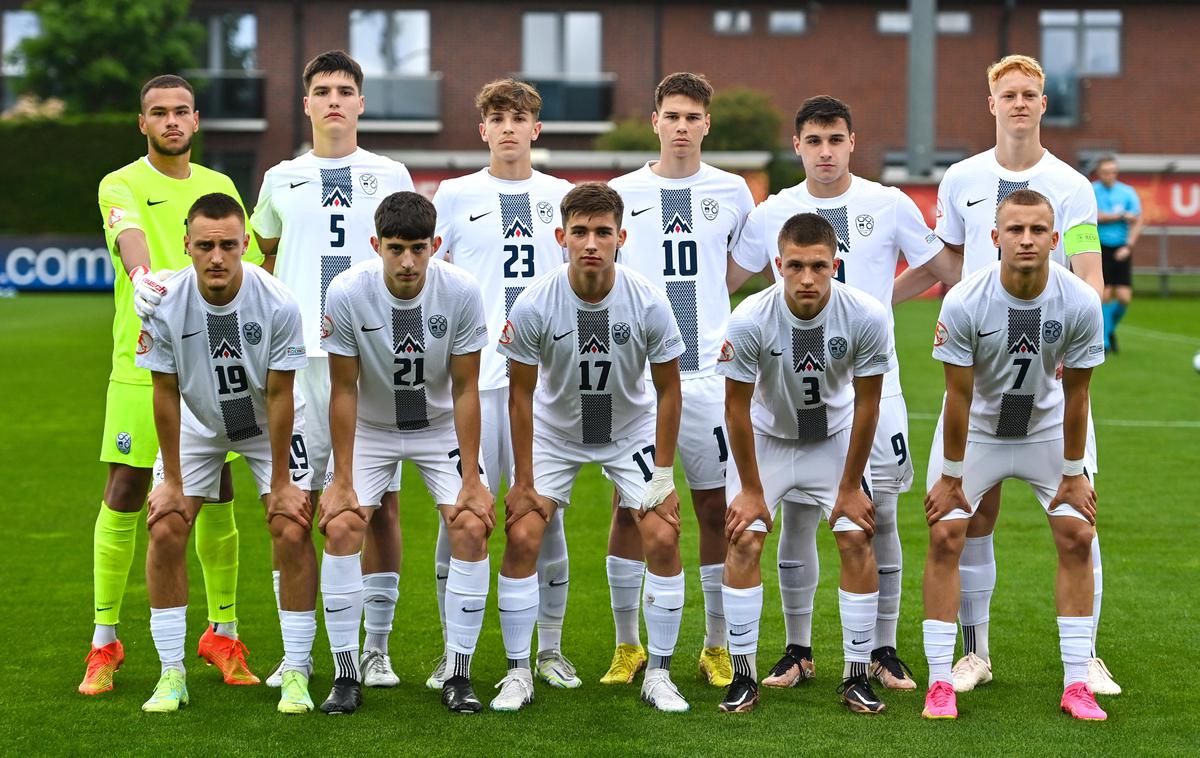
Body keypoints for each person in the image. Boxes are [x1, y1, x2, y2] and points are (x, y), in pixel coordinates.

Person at [895, 54, 1118, 696]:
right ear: (990, 102)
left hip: (1048, 374)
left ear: (1044, 103)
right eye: (1008, 93)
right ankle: (974, 651)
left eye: (1030, 93)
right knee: (975, 515)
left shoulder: (1072, 184)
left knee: (1079, 515)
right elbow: (950, 265)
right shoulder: (961, 178)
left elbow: (1088, 272)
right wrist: (871, 301)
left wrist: (1071, 327)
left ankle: (1088, 657)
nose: (1019, 102)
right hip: (979, 371)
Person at [729, 95, 960, 692]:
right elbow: (727, 280)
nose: (825, 152)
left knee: (875, 512)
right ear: (798, 146)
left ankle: (881, 650)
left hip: (870, 390)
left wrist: (882, 300)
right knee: (800, 515)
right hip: (792, 386)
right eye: (813, 141)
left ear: (852, 142)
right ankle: (797, 650)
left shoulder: (886, 202)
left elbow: (944, 269)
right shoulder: (774, 210)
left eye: (835, 139)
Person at [85, 74, 262, 696]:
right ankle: (104, 641)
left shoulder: (221, 186)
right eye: (158, 113)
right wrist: (144, 276)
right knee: (128, 487)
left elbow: (249, 263)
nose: (171, 121)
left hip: (216, 362)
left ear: (195, 118)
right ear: (143, 123)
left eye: (181, 111)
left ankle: (222, 633)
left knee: (215, 488)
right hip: (142, 361)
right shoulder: (121, 182)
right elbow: (128, 234)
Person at [251, 50, 415, 687]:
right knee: (291, 505)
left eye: (346, 90)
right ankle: (298, 653)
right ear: (307, 103)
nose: (335, 101)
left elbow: (407, 258)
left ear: (361, 103)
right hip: (298, 363)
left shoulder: (390, 172)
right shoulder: (280, 177)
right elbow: (265, 255)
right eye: (322, 91)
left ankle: (374, 649)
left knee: (380, 505)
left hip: (370, 360)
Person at [492, 183, 689, 713]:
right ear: (560, 237)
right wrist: (524, 479)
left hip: (629, 433)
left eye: (603, 232)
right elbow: (520, 392)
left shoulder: (647, 297)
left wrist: (665, 477)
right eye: (579, 232)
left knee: (663, 536)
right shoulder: (535, 300)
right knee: (523, 533)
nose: (591, 243)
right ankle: (519, 672)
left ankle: (660, 674)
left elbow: (670, 390)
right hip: (556, 434)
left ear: (621, 237)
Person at [921, 189, 1106, 721]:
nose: (1027, 239)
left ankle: (1077, 683)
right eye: (1016, 230)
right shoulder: (964, 301)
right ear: (995, 237)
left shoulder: (1078, 301)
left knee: (1078, 534)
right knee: (945, 532)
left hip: (1045, 430)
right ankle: (940, 682)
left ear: (1054, 238)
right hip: (979, 432)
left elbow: (1078, 394)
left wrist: (1074, 473)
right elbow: (957, 396)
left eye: (1038, 230)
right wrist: (952, 477)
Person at [136, 193, 318, 714]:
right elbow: (164, 390)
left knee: (291, 525)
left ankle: (297, 672)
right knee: (166, 522)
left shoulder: (278, 301)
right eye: (206, 246)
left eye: (229, 246)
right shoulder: (164, 301)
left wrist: (282, 482)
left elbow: (282, 394)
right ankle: (172, 673)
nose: (217, 257)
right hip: (197, 421)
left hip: (266, 424)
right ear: (187, 246)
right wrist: (171, 479)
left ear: (245, 246)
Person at [604, 71, 755, 688]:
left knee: (715, 507)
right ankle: (627, 645)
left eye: (694, 117)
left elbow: (734, 273)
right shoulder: (620, 192)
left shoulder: (734, 191)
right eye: (673, 116)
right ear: (655, 121)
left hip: (711, 379)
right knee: (631, 508)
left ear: (707, 124)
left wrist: (710, 314)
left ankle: (715, 646)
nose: (683, 127)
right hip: (640, 384)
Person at [318, 192, 492, 714]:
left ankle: (458, 674)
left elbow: (465, 388)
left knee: (470, 523)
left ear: (436, 245)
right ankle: (347, 675)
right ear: (376, 246)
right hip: (371, 426)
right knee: (344, 524)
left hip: (437, 425)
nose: (409, 262)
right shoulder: (347, 292)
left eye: (419, 248)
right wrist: (342, 479)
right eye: (396, 249)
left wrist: (472, 479)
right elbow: (343, 388)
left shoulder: (460, 290)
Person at [430, 79, 577, 690]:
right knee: (459, 513)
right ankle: (451, 652)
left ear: (536, 130)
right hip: (472, 383)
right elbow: (433, 284)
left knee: (544, 516)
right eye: (498, 118)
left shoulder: (564, 197)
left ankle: (549, 651)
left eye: (520, 118)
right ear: (482, 129)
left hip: (548, 387)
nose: (510, 127)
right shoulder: (454, 195)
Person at [718, 212, 894, 715]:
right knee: (744, 535)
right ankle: (743, 676)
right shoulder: (750, 317)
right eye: (795, 266)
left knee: (856, 534)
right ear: (778, 265)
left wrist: (850, 488)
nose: (808, 278)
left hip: (831, 438)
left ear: (835, 264)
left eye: (819, 266)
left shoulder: (865, 315)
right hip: (770, 440)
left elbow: (868, 406)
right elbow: (735, 408)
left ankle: (857, 676)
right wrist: (750, 490)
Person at [1092, 155, 1143, 353]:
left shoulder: (1127, 192)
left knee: (1124, 297)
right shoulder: (1091, 190)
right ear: (1099, 173)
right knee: (1103, 294)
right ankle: (1104, 341)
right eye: (1105, 172)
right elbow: (1095, 216)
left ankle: (1109, 329)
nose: (1110, 175)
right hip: (1100, 246)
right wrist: (1120, 216)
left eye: (1113, 172)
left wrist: (1128, 246)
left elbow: (1137, 220)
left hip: (1121, 247)